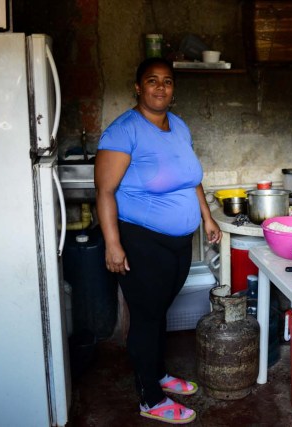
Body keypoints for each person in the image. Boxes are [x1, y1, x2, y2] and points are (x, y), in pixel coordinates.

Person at [94, 57, 222, 425]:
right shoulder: (124, 131)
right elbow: (104, 191)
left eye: (167, 81)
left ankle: (159, 374)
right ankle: (150, 398)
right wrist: (113, 244)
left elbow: (190, 176)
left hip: (179, 241)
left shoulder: (178, 126)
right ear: (138, 87)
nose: (160, 88)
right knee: (147, 316)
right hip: (140, 241)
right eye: (152, 81)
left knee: (159, 310)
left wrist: (207, 216)